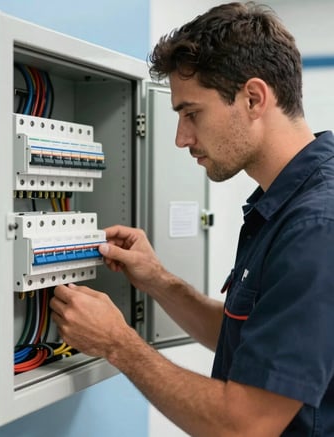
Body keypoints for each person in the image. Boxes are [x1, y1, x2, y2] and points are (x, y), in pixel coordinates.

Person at [50, 2, 334, 435]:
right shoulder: (286, 204)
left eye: (191, 113)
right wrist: (159, 281)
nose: (182, 139)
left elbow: (245, 427)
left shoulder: (315, 226)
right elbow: (247, 335)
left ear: (253, 98)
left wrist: (118, 343)